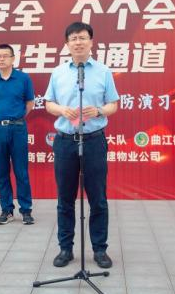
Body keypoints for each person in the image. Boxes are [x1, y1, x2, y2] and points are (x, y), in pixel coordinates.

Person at [45, 22, 119, 269]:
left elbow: (113, 104)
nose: (78, 42)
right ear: (67, 44)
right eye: (73, 38)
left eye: (83, 38)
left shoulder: (103, 71)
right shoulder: (58, 72)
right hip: (65, 142)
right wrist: (61, 110)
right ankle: (65, 249)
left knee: (98, 198)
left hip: (93, 140)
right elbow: (48, 103)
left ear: (91, 42)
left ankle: (100, 249)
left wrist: (98, 110)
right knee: (65, 199)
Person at [0, 44, 35, 225]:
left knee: (21, 171)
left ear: (13, 58)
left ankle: (26, 210)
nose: (2, 59)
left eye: (5, 56)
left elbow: (30, 103)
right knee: (2, 172)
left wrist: (16, 118)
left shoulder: (23, 78)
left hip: (18, 128)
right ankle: (6, 210)